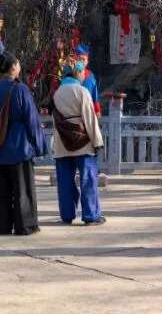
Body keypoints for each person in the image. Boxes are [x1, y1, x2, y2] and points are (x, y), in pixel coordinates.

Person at [0, 48, 48, 236]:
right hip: (20, 146)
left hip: (0, 147)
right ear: (13, 66)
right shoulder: (21, 89)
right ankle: (25, 225)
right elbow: (32, 120)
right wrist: (39, 146)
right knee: (23, 189)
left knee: (1, 190)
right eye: (17, 63)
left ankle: (1, 226)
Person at [51, 58, 106, 226]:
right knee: (88, 179)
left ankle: (67, 214)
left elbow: (55, 120)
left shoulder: (57, 93)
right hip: (83, 142)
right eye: (83, 73)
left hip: (62, 142)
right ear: (78, 73)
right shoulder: (82, 92)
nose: (84, 76)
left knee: (65, 181)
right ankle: (90, 215)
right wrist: (97, 141)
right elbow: (90, 119)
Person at [73, 45, 100, 115]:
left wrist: (97, 110)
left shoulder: (90, 76)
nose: (81, 61)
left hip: (88, 110)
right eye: (79, 59)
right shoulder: (70, 74)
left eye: (83, 59)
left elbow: (94, 93)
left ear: (87, 61)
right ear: (75, 60)